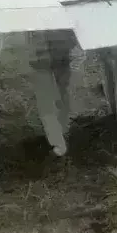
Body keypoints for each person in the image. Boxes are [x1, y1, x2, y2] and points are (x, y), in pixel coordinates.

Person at [28, 29, 77, 157]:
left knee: (46, 101)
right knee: (60, 94)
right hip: (58, 54)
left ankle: (58, 141)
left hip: (44, 59)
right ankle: (62, 131)